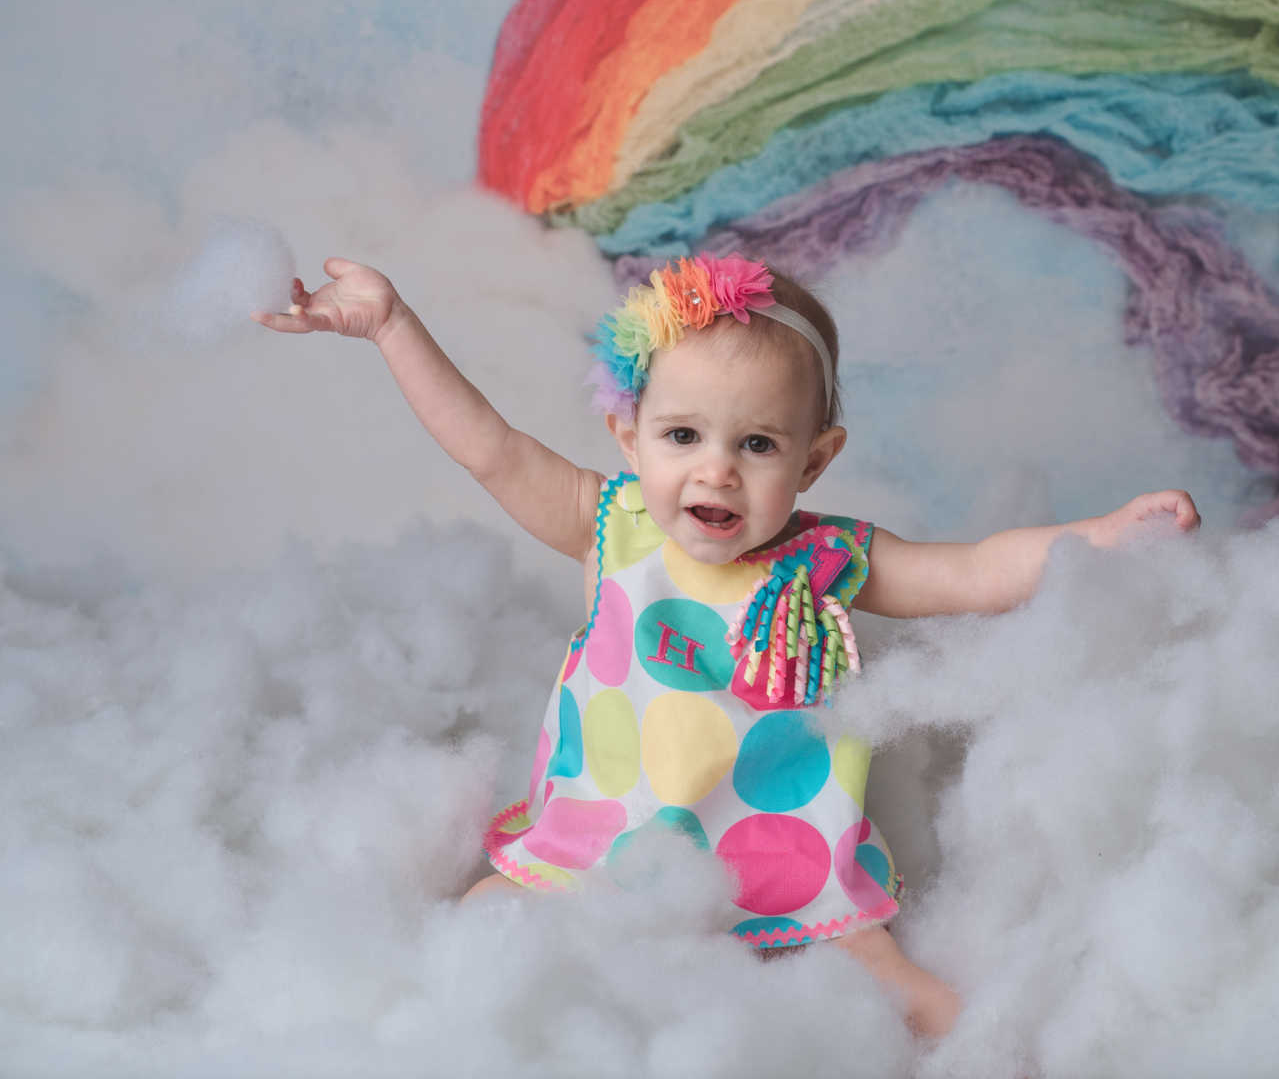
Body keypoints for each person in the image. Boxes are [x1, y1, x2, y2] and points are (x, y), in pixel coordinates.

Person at [254, 253, 1199, 1038]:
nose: (715, 467)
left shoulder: (831, 559)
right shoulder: (610, 522)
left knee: (889, 984)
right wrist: (390, 326)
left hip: (777, 850)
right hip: (604, 840)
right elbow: (489, 446)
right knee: (469, 943)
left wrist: (1106, 537)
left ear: (813, 459)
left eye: (756, 444)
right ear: (628, 437)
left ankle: (995, 1052)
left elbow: (979, 570)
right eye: (682, 434)